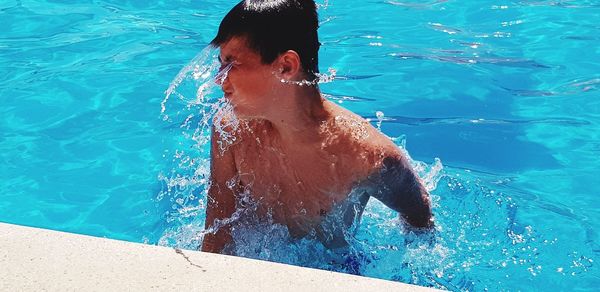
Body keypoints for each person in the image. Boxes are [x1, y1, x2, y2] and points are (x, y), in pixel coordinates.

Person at [201, 0, 433, 254]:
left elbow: (419, 214)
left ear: (286, 66)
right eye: (221, 64)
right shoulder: (231, 130)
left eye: (231, 64)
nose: (218, 79)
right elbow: (217, 237)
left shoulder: (367, 158)